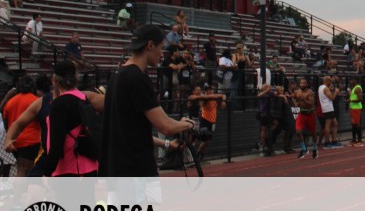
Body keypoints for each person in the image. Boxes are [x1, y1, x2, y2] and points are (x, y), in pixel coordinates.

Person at [98, 24, 196, 177]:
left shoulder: (117, 76)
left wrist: (169, 141)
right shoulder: (138, 78)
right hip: (135, 170)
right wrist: (188, 124)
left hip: (116, 168)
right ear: (150, 45)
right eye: (161, 48)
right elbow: (166, 126)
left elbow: (131, 130)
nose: (162, 54)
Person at [40, 60, 98, 177]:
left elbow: (57, 141)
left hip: (68, 168)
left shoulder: (59, 104)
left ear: (54, 80)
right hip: (89, 164)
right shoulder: (84, 99)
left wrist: (47, 172)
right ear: (75, 78)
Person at [187, 84, 226, 156]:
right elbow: (202, 100)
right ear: (193, 91)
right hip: (195, 120)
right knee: (194, 139)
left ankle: (198, 153)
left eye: (199, 90)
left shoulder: (212, 98)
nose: (199, 91)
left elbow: (222, 100)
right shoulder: (194, 97)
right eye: (197, 90)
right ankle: (194, 154)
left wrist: (222, 99)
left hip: (202, 121)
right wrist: (217, 96)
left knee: (206, 139)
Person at [292, 77, 319, 159]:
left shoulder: (310, 92)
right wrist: (296, 102)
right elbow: (294, 98)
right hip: (301, 114)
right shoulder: (297, 92)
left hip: (310, 114)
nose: (302, 84)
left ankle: (315, 148)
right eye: (301, 83)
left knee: (313, 133)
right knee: (298, 131)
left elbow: (311, 103)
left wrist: (304, 99)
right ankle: (304, 148)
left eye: (303, 83)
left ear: (307, 84)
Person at [318, 76, 342, 148]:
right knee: (328, 125)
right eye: (330, 81)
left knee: (335, 123)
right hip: (327, 108)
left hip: (328, 108)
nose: (331, 83)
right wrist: (336, 92)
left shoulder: (320, 87)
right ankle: (327, 142)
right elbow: (332, 98)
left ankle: (334, 140)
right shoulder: (325, 88)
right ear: (327, 81)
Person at [348, 77, 364, 146]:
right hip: (353, 108)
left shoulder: (357, 88)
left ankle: (360, 141)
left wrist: (350, 100)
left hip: (356, 108)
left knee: (357, 124)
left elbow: (360, 99)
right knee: (353, 124)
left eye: (351, 80)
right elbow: (354, 97)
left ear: (355, 80)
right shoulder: (354, 88)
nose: (350, 82)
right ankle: (354, 140)